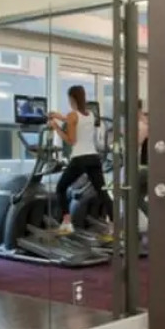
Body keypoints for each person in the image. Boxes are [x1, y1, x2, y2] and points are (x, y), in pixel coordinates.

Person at [50, 85, 112, 234]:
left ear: (71, 98)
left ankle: (67, 223)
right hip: (94, 158)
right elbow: (75, 120)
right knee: (102, 192)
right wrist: (60, 117)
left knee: (60, 188)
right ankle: (115, 227)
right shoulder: (90, 114)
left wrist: (56, 127)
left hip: (79, 158)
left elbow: (71, 140)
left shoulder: (72, 115)